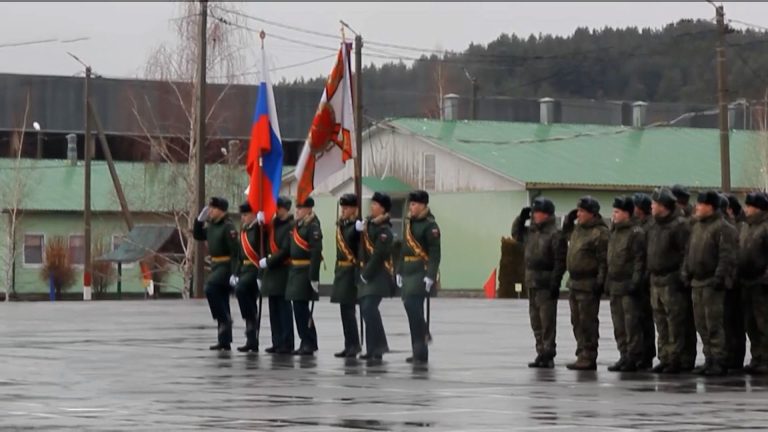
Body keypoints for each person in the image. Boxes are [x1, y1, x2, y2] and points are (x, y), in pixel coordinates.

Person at [683, 191, 736, 376]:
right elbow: (689, 251)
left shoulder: (723, 228)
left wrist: (719, 278)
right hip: (697, 282)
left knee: (714, 324)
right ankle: (709, 359)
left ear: (711, 207)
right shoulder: (697, 226)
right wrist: (686, 272)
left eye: (701, 204)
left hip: (712, 284)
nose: (697, 207)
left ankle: (719, 360)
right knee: (701, 324)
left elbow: (726, 256)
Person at [512, 197, 567, 369]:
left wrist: (555, 282)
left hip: (546, 283)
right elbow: (516, 234)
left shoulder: (555, 234)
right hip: (532, 281)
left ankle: (548, 354)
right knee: (535, 321)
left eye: (538, 212)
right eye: (534, 212)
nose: (535, 215)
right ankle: (540, 351)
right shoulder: (532, 232)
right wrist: (520, 219)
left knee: (547, 322)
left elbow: (560, 261)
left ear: (547, 214)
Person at [646, 187, 691, 374]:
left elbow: (685, 254)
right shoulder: (654, 225)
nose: (651, 206)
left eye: (654, 203)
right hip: (656, 279)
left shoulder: (679, 225)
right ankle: (664, 357)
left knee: (675, 322)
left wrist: (681, 276)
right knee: (661, 322)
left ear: (663, 206)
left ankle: (676, 359)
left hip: (671, 279)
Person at [563, 196, 609, 371]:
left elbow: (604, 260)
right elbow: (565, 234)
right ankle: (581, 353)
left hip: (588, 284)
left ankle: (589, 355)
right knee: (576, 321)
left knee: (587, 321)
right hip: (574, 283)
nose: (579, 214)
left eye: (582, 211)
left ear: (592, 214)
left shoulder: (600, 233)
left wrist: (600, 282)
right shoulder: (578, 230)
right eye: (578, 211)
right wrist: (568, 220)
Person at [397, 190, 440, 364]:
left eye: (414, 204)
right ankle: (418, 350)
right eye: (410, 204)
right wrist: (399, 270)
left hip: (420, 272)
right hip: (408, 271)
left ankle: (422, 344)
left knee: (412, 306)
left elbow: (435, 253)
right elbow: (403, 249)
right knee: (411, 310)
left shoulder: (430, 225)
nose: (411, 207)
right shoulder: (409, 224)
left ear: (423, 205)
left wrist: (431, 275)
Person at [606, 196, 647, 372]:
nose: (613, 215)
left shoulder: (636, 233)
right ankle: (623, 355)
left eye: (617, 212)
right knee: (619, 325)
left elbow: (639, 260)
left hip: (628, 285)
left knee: (631, 324)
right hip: (615, 285)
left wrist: (636, 282)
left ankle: (634, 356)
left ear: (627, 213)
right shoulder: (614, 232)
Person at [193, 197, 239, 351]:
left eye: (213, 209)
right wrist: (199, 221)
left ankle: (225, 320)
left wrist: (235, 273)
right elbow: (198, 236)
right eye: (210, 208)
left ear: (221, 211)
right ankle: (224, 340)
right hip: (216, 265)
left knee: (210, 288)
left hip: (225, 267)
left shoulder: (228, 227)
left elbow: (235, 252)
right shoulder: (213, 226)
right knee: (222, 301)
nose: (210, 211)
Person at [358, 192, 395, 362]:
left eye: (375, 204)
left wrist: (365, 275)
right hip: (368, 274)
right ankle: (374, 348)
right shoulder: (368, 225)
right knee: (367, 310)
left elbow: (379, 255)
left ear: (383, 209)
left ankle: (378, 347)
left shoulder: (384, 230)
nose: (372, 206)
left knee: (369, 308)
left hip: (379, 275)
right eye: (372, 203)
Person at [286, 197, 322, 356]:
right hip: (295, 271)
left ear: (309, 209)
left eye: (300, 208)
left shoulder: (313, 227)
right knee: (298, 308)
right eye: (297, 208)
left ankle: (309, 341)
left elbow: (315, 253)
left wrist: (313, 277)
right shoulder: (298, 226)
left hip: (305, 271)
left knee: (302, 309)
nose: (297, 211)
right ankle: (305, 340)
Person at [259, 196, 295, 355]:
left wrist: (269, 261)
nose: (276, 210)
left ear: (286, 209)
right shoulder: (272, 226)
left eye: (279, 207)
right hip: (272, 272)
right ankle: (277, 341)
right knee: (273, 309)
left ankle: (287, 343)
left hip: (283, 270)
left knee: (284, 309)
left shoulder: (291, 226)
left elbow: (286, 249)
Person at [737, 192, 768, 375]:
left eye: (749, 206)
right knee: (751, 323)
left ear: (758, 209)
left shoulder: (765, 227)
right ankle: (757, 357)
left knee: (764, 323)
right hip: (746, 282)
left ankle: (766, 358)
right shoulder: (746, 227)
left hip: (761, 283)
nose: (746, 209)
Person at [232, 202, 266, 353]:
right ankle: (251, 338)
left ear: (253, 214)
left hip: (254, 269)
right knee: (247, 298)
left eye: (246, 215)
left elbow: (262, 250)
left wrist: (261, 224)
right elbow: (240, 256)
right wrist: (235, 273)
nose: (243, 218)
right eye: (242, 215)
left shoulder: (258, 229)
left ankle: (251, 323)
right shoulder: (244, 230)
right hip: (244, 269)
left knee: (241, 290)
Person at [670, 184, 697, 371]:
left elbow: (685, 250)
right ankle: (678, 358)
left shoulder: (686, 220)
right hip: (679, 276)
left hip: (685, 276)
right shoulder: (682, 218)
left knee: (685, 321)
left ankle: (686, 359)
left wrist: (684, 273)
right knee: (676, 322)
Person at [332, 193, 362, 358]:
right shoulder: (342, 225)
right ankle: (348, 344)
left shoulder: (356, 226)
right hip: (342, 272)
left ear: (354, 209)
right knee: (344, 311)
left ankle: (354, 344)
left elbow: (361, 250)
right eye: (342, 207)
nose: (343, 210)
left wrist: (360, 232)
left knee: (349, 311)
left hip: (351, 272)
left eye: (347, 207)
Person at [632, 192, 656, 369]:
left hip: (646, 280)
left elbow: (647, 254)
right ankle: (640, 354)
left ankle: (647, 355)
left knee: (646, 320)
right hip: (638, 277)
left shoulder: (649, 227)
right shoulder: (637, 225)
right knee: (638, 320)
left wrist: (643, 276)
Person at [723, 193, 746, 371]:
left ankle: (736, 359)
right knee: (727, 324)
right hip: (730, 282)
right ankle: (729, 357)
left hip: (740, 282)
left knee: (737, 324)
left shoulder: (739, 227)